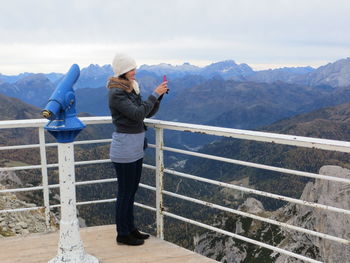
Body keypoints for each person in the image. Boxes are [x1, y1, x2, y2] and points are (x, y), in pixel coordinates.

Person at [107, 53, 168, 246]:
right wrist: (154, 94)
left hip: (134, 145)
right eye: (132, 68)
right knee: (125, 191)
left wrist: (158, 99)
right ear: (123, 71)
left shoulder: (130, 88)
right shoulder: (117, 92)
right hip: (124, 147)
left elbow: (145, 112)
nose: (135, 71)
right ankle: (122, 233)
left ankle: (130, 228)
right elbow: (136, 114)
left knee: (131, 190)